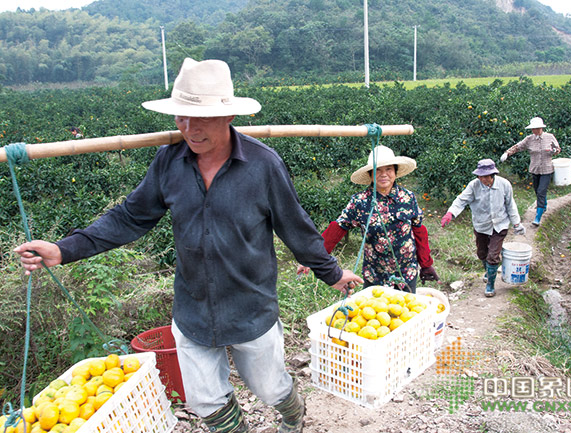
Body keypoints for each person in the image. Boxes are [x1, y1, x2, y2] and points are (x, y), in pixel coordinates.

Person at [14, 58, 362, 433]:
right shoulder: (169, 162)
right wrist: (64, 250)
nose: (189, 129)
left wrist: (332, 273)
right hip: (193, 309)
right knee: (205, 401)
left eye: (202, 119)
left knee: (269, 386)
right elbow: (130, 216)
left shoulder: (263, 166)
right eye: (182, 118)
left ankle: (294, 413)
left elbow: (297, 229)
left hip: (251, 306)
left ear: (228, 117)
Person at [297, 145, 439, 293]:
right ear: (371, 175)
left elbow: (419, 230)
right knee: (374, 313)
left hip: (406, 271)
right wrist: (313, 258)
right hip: (375, 275)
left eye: (389, 169)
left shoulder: (407, 198)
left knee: (406, 312)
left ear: (395, 172)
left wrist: (426, 264)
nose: (384, 174)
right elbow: (337, 229)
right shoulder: (360, 201)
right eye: (378, 170)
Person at [440, 159, 525, 297]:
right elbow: (461, 201)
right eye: (480, 176)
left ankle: (490, 284)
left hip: (500, 225)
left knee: (493, 256)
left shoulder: (504, 185)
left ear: (493, 175)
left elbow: (510, 205)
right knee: (482, 253)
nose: (482, 179)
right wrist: (451, 213)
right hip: (481, 225)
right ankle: (489, 271)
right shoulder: (474, 186)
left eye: (485, 176)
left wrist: (516, 223)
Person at [500, 116, 561, 226]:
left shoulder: (549, 137)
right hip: (535, 169)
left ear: (541, 128)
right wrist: (507, 153)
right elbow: (518, 146)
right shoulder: (529, 139)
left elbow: (558, 149)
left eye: (536, 128)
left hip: (547, 169)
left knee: (541, 191)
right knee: (538, 191)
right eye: (533, 129)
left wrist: (553, 151)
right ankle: (544, 205)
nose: (534, 131)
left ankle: (537, 217)